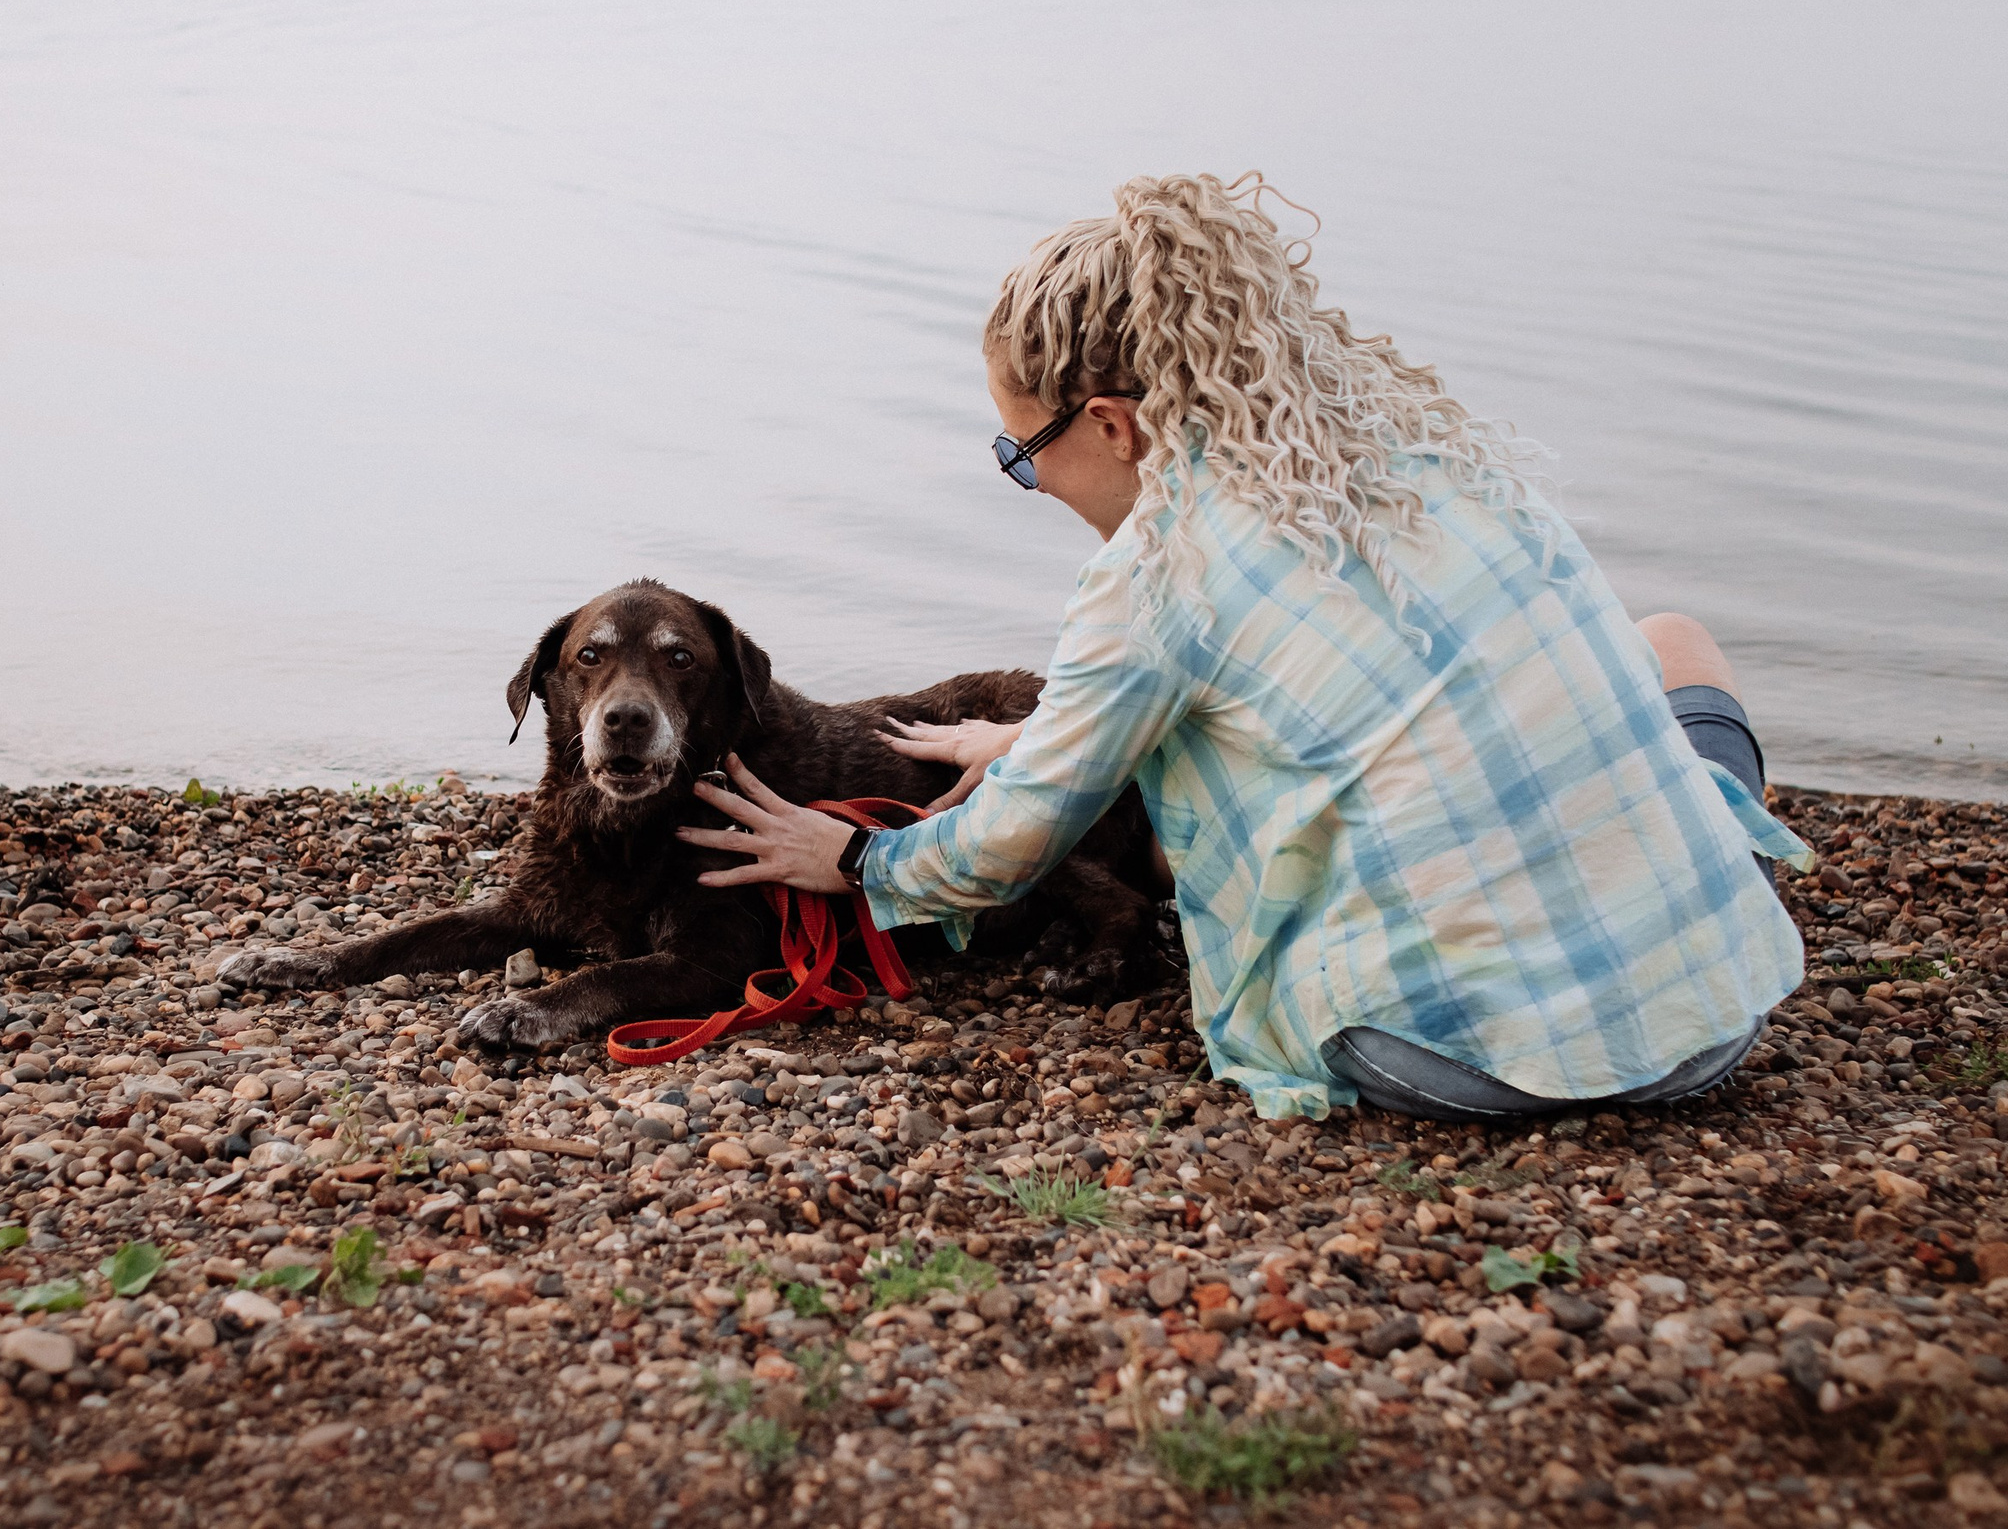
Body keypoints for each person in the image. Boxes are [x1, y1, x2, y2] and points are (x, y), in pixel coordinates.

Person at [677, 173, 1813, 1123]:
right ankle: (1691, 887)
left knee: (1204, 797)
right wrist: (1043, 731)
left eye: (1022, 454)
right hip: (1715, 1019)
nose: (1031, 483)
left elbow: (1003, 853)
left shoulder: (1155, 575)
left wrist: (852, 861)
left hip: (1455, 1065)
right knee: (1667, 640)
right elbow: (1363, 668)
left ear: (1111, 425)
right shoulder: (1424, 462)